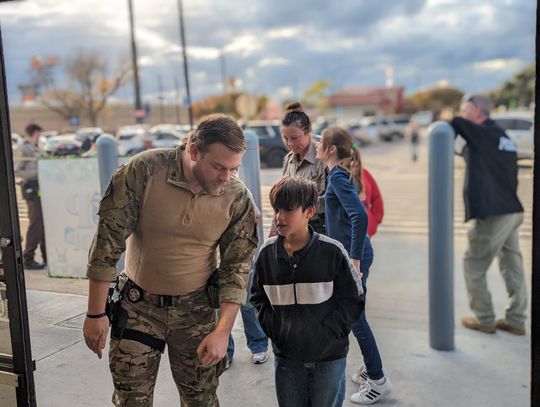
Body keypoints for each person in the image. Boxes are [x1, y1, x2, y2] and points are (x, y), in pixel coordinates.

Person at [82, 114, 258, 406]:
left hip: (196, 310)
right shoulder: (145, 171)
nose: (226, 177)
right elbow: (106, 243)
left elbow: (236, 270)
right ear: (193, 151)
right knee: (131, 400)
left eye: (234, 168)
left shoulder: (237, 197)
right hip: (138, 308)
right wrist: (95, 313)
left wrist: (222, 331)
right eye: (218, 166)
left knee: (201, 399)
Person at [250, 177, 364, 407]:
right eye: (276, 209)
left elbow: (353, 299)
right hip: (287, 359)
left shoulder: (332, 252)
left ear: (309, 211)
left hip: (329, 358)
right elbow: (257, 298)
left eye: (288, 210)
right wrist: (276, 331)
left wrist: (329, 333)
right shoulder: (266, 255)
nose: (279, 217)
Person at [316, 127, 393, 404]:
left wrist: (355, 258)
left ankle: (378, 379)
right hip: (351, 253)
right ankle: (370, 368)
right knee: (356, 315)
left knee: (355, 317)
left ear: (331, 149)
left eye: (320, 142)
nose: (316, 146)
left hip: (354, 255)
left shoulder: (337, 174)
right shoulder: (337, 173)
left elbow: (359, 215)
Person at [450, 94, 527, 336]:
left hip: (493, 214)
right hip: (512, 210)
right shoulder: (502, 137)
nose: (462, 114)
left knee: (474, 263)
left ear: (475, 111)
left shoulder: (481, 133)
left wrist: (453, 122)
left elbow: (456, 123)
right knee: (512, 265)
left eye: (465, 109)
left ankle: (484, 318)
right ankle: (516, 319)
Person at [270, 102, 326, 235]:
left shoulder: (323, 159)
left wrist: (297, 206)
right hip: (292, 229)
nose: (290, 143)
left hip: (318, 229)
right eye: (285, 138)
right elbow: (282, 199)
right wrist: (273, 231)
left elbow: (332, 201)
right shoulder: (288, 160)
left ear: (308, 132)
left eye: (295, 138)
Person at [15, 123, 47, 270]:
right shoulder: (25, 148)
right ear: (35, 133)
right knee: (35, 223)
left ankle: (46, 256)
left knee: (42, 223)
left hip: (40, 188)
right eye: (39, 133)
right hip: (31, 189)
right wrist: (37, 173)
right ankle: (28, 258)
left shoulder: (36, 148)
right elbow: (17, 171)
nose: (40, 136)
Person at [361, 168, 384, 238]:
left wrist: (373, 222)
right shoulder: (334, 174)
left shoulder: (363, 173)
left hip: (365, 233)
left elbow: (377, 198)